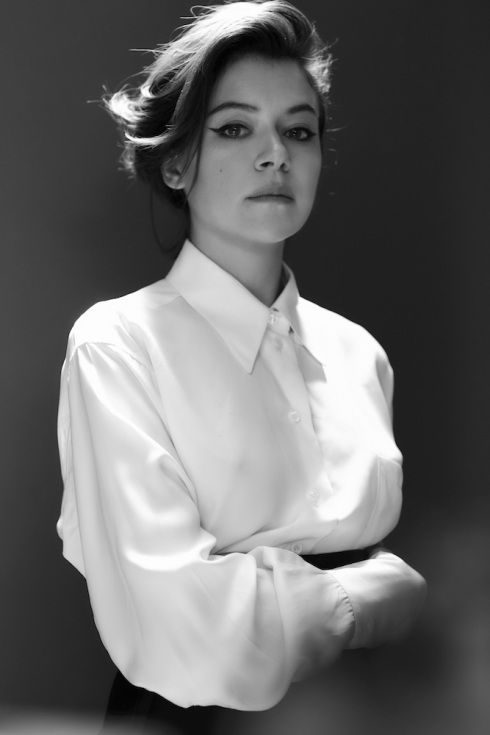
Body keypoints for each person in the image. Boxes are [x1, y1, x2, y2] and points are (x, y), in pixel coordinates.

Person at [56, 1, 427, 733]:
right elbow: (184, 625)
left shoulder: (359, 353)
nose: (275, 154)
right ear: (175, 160)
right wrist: (380, 596)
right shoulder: (118, 344)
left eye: (298, 130)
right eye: (234, 128)